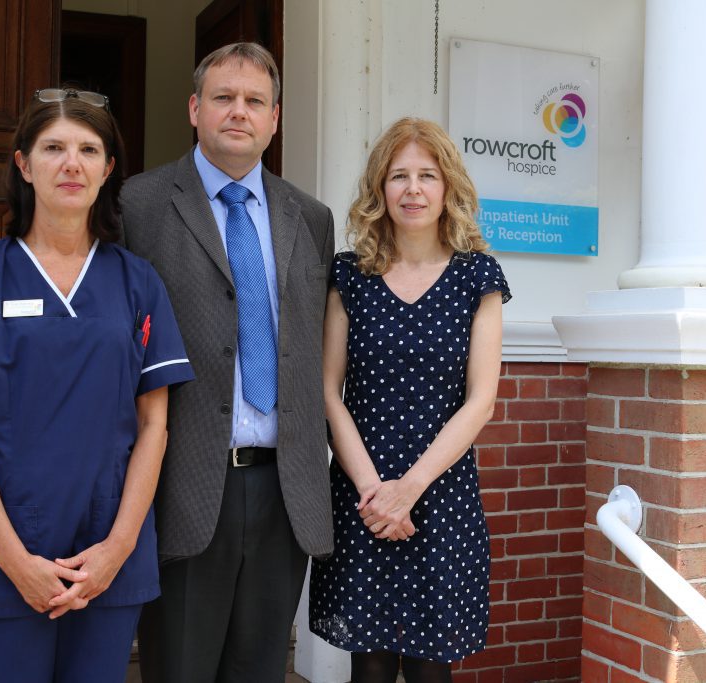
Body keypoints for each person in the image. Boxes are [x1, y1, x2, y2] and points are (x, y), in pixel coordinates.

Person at [0, 87, 194, 682]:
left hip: (105, 559)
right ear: (23, 164)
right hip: (1, 556)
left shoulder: (137, 283)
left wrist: (116, 549)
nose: (72, 164)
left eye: (89, 149)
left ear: (109, 168)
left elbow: (154, 426)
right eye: (53, 147)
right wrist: (18, 564)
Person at [120, 42, 335, 683]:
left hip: (284, 487)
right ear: (194, 108)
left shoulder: (311, 217)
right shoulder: (139, 204)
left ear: (274, 118)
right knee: (180, 667)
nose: (238, 112)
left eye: (254, 102)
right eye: (223, 98)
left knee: (262, 668)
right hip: (183, 481)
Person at [309, 117, 510, 683]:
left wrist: (409, 491)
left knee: (430, 671)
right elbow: (329, 391)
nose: (413, 189)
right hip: (363, 496)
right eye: (399, 176)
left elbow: (481, 401)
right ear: (380, 189)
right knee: (368, 669)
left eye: (427, 175)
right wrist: (377, 494)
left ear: (448, 188)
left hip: (441, 499)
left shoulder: (479, 278)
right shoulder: (350, 275)